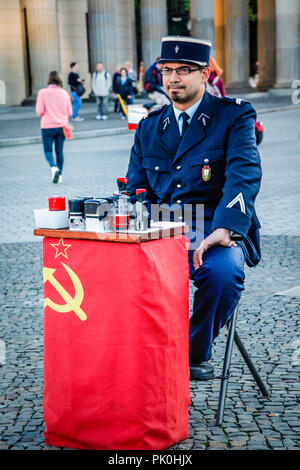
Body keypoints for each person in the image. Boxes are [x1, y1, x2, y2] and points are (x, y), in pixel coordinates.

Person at [126, 36, 262, 381]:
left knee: (223, 274)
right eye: (167, 69)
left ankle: (190, 354)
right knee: (115, 277)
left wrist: (226, 228)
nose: (173, 78)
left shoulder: (233, 115)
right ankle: (133, 359)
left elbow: (243, 174)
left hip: (214, 224)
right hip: (161, 229)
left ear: (204, 74)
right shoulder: (149, 126)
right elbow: (136, 189)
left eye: (184, 70)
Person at [36, 71, 72, 184]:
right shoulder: (64, 93)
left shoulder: (42, 92)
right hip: (62, 126)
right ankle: (59, 175)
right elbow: (69, 112)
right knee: (59, 152)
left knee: (48, 150)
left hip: (47, 126)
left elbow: (39, 111)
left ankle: (53, 166)